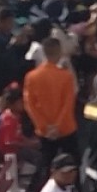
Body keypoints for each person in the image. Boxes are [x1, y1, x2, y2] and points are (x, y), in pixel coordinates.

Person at [22, 37, 79, 179]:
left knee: (47, 163)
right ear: (59, 52)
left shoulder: (31, 77)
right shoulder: (66, 76)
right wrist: (58, 126)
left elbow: (30, 104)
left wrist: (45, 126)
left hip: (44, 130)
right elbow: (68, 103)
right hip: (66, 128)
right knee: (73, 161)